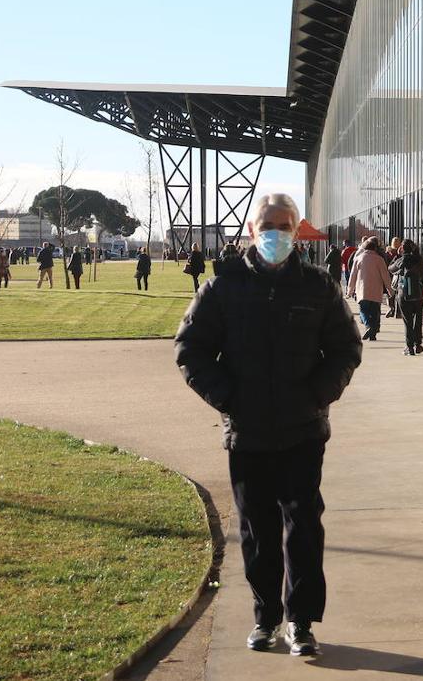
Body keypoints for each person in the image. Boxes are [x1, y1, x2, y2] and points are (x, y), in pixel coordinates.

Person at [174, 193, 362, 657]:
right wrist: (228, 399)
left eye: (284, 225)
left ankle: (301, 621)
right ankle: (266, 619)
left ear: (296, 232)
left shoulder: (318, 287)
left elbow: (345, 348)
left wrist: (319, 394)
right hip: (248, 431)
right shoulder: (223, 288)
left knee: (303, 526)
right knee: (257, 530)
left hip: (303, 429)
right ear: (251, 230)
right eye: (266, 224)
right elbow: (190, 349)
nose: (274, 232)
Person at [388, 239, 423, 355]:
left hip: (403, 294)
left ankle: (409, 347)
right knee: (417, 320)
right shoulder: (421, 261)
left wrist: (398, 255)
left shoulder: (402, 259)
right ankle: (418, 344)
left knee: (407, 321)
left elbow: (390, 268)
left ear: (402, 248)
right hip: (418, 294)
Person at [346, 237, 392, 340]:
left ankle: (368, 326)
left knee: (364, 311)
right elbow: (385, 276)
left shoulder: (359, 258)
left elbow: (353, 275)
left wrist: (350, 291)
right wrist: (390, 290)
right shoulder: (379, 259)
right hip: (376, 291)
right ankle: (373, 333)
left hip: (363, 290)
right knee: (375, 313)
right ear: (375, 248)